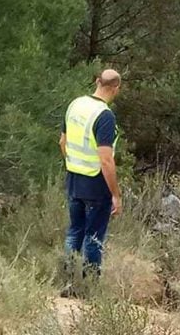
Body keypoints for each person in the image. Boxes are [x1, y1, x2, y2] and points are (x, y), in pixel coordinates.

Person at [58, 69, 123, 296]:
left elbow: (62, 142)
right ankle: (89, 289)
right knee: (94, 237)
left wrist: (72, 163)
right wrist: (115, 194)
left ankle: (66, 283)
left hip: (74, 178)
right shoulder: (104, 116)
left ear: (97, 82)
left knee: (74, 231)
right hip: (95, 183)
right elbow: (106, 159)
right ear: (116, 88)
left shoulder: (75, 105)